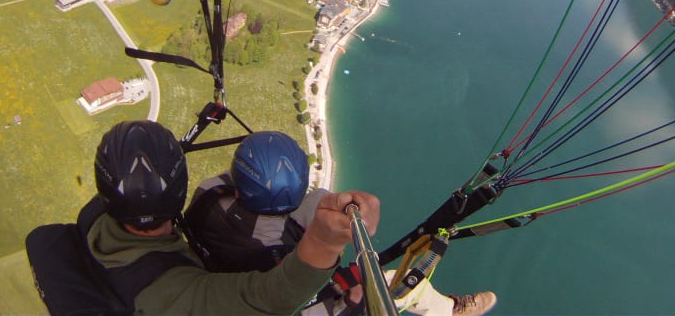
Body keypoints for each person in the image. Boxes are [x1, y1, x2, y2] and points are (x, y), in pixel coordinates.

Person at [85, 120, 381, 315]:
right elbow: (274, 298)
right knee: (357, 295)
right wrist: (324, 241)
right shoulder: (175, 294)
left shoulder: (94, 220)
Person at [184, 131, 498, 316]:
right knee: (393, 286)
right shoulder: (290, 232)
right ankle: (449, 310)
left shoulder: (210, 191)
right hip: (277, 303)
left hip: (212, 282)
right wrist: (351, 301)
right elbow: (297, 290)